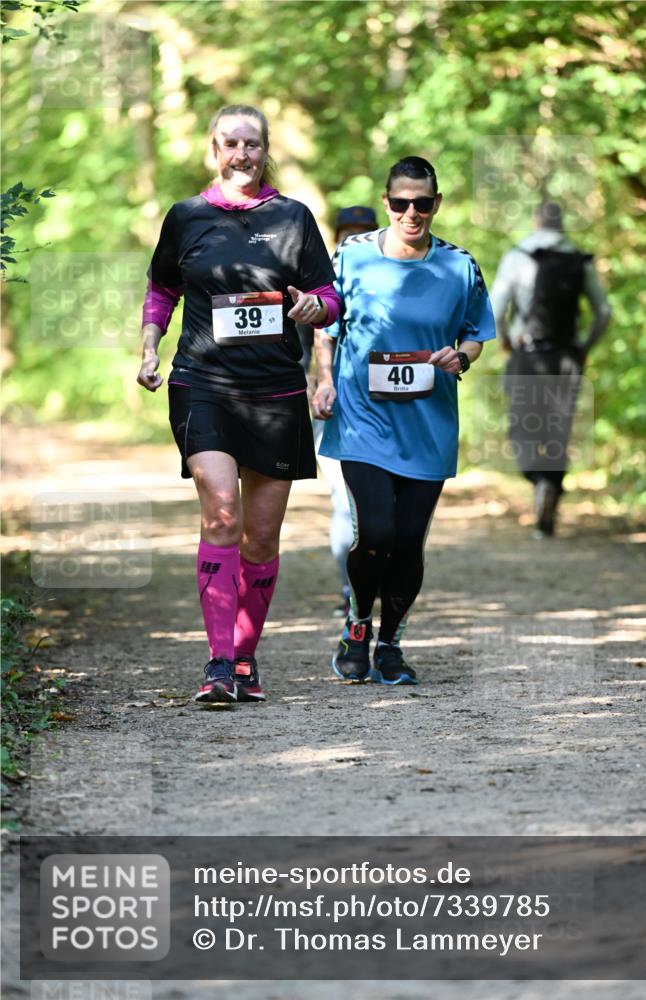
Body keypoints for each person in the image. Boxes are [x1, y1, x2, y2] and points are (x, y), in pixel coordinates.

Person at [137, 104, 339, 704]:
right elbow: (162, 287)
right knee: (221, 513)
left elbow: (329, 296)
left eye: (252, 144)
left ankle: (246, 658)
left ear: (266, 149)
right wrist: (149, 346)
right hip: (201, 382)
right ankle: (218, 663)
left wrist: (314, 308)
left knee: (260, 539)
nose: (241, 154)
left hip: (275, 391)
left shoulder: (293, 218)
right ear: (214, 149)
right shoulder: (187, 217)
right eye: (230, 143)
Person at [312, 156, 495, 686]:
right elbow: (327, 326)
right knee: (375, 531)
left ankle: (391, 642)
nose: (410, 213)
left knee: (409, 539)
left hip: (428, 423)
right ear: (387, 201)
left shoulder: (459, 265)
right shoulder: (351, 255)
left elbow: (476, 333)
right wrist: (323, 380)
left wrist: (461, 357)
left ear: (436, 204)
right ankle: (356, 625)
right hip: (362, 419)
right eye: (400, 203)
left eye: (422, 203)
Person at [489, 202, 611, 537]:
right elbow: (604, 311)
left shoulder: (517, 256)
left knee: (521, 428)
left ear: (536, 221)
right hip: (567, 357)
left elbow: (497, 309)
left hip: (527, 354)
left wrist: (505, 342)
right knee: (558, 431)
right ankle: (551, 495)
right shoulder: (579, 261)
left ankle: (538, 479)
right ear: (562, 223)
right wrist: (585, 346)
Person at [299, 205, 379, 617]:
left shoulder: (387, 276)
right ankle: (351, 588)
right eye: (348, 231)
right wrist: (310, 385)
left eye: (364, 231)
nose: (354, 238)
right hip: (330, 407)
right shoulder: (314, 279)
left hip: (386, 409)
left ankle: (379, 578)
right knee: (344, 500)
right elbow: (296, 344)